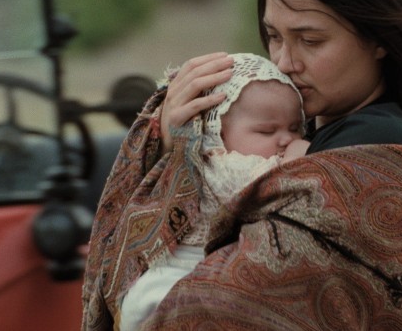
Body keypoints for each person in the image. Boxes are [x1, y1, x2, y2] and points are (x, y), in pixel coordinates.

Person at [82, 0, 402, 330]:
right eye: (273, 36)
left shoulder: (378, 147)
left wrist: (177, 166)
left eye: (311, 40)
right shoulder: (312, 133)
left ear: (380, 38)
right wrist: (173, 147)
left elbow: (219, 303)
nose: (285, 62)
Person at [119, 53, 309, 331]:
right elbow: (263, 186)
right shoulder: (220, 165)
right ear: (218, 133)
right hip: (173, 278)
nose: (287, 139)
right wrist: (297, 159)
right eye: (267, 131)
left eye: (295, 128)